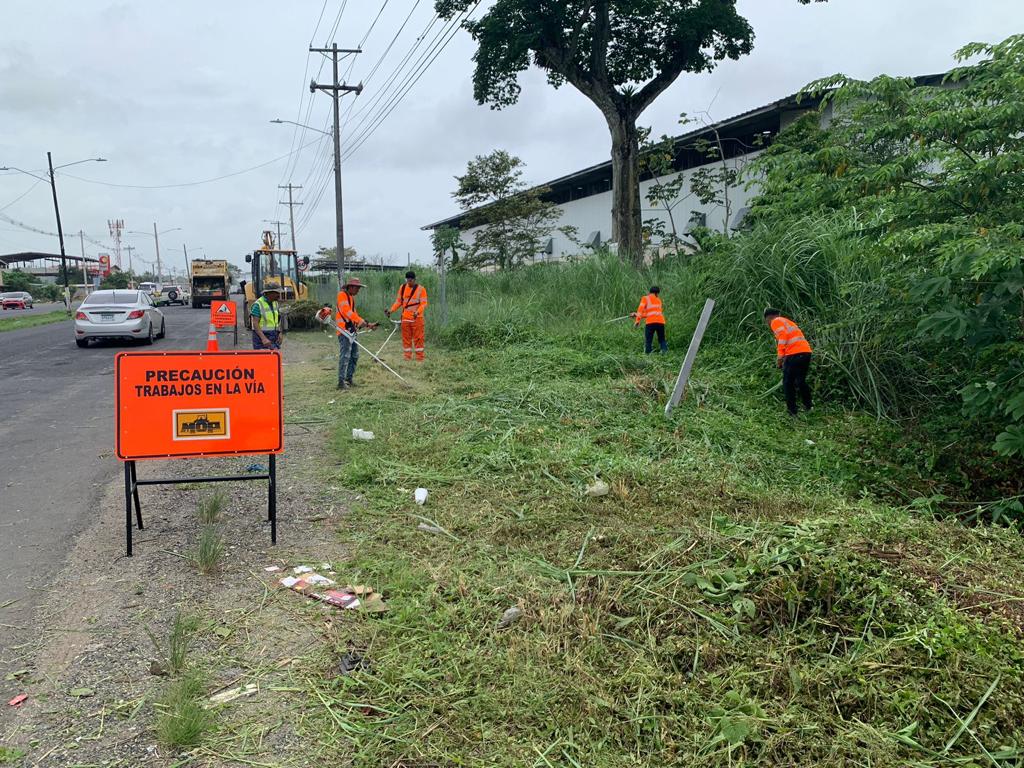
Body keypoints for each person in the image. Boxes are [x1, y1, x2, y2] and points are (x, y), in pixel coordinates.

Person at [764, 308, 813, 416]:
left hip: (794, 354)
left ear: (769, 318)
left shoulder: (775, 321)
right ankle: (808, 406)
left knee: (787, 383)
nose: (768, 324)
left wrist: (780, 356)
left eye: (767, 321)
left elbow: (783, 336)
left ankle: (792, 411)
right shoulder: (788, 322)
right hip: (806, 352)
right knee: (800, 381)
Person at [336, 277, 376, 389]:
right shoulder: (342, 295)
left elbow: (354, 315)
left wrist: (368, 324)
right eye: (357, 288)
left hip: (351, 331)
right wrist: (359, 321)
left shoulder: (351, 298)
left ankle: (349, 379)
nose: (358, 290)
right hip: (343, 331)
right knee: (345, 356)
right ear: (351, 287)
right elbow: (346, 311)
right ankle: (341, 382)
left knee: (354, 355)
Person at [386, 270, 428, 361]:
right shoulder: (402, 287)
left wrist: (417, 312)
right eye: (407, 280)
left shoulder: (421, 289)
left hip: (417, 318)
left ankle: (420, 358)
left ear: (414, 280)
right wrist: (391, 310)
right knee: (406, 338)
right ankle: (407, 357)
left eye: (411, 280)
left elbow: (424, 303)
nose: (409, 282)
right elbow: (399, 301)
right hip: (405, 318)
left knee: (418, 338)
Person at [632, 286, 667, 354]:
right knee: (662, 339)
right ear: (657, 293)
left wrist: (637, 320)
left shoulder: (645, 298)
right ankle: (664, 352)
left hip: (650, 322)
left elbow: (640, 310)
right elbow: (651, 313)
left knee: (648, 339)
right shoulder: (659, 300)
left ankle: (648, 354)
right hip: (660, 322)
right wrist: (636, 314)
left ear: (649, 292)